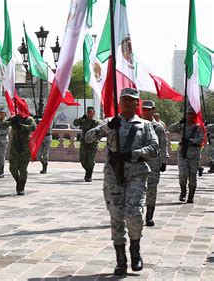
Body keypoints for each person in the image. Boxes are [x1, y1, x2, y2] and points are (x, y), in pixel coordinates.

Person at [85, 88, 158, 276]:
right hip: (113, 176)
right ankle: (121, 259)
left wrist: (134, 154)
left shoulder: (145, 125)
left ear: (137, 103)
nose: (127, 102)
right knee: (116, 216)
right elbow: (88, 138)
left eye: (131, 100)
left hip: (136, 174)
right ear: (120, 102)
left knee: (134, 213)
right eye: (124, 99)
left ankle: (135, 249)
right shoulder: (110, 122)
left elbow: (154, 148)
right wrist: (107, 127)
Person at [168, 106, 204, 203]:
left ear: (194, 115)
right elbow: (170, 129)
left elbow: (201, 139)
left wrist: (190, 141)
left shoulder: (198, 127)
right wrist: (179, 122)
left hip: (194, 154)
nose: (189, 116)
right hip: (182, 153)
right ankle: (183, 192)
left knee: (192, 175)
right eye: (188, 113)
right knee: (183, 174)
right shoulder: (181, 126)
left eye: (191, 114)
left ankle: (191, 196)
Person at [141, 100, 168, 227]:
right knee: (137, 189)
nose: (146, 111)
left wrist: (164, 161)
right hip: (138, 163)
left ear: (153, 110)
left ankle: (149, 216)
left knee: (151, 190)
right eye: (144, 109)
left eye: (148, 109)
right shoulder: (137, 124)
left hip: (154, 163)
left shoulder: (158, 127)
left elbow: (163, 144)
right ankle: (137, 215)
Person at [4, 102, 36, 195]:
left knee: (23, 168)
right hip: (15, 146)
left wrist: (22, 126)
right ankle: (18, 181)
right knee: (12, 168)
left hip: (25, 147)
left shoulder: (29, 119)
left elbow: (33, 127)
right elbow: (3, 125)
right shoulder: (14, 118)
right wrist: (12, 121)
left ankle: (21, 187)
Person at [73, 106, 102, 182]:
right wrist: (81, 119)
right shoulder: (83, 120)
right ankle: (87, 170)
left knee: (90, 159)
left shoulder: (97, 122)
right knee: (82, 159)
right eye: (88, 111)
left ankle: (89, 174)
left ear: (94, 112)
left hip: (93, 143)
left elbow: (101, 132)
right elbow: (75, 123)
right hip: (84, 142)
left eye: (90, 112)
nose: (89, 113)